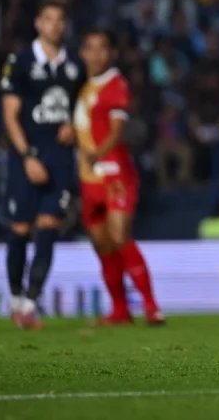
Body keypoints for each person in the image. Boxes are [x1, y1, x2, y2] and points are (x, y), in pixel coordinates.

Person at [0, 0, 85, 329]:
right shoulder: (20, 62)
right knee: (20, 228)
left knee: (49, 227)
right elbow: (10, 116)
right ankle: (16, 296)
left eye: (60, 19)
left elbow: (83, 110)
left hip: (60, 158)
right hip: (27, 156)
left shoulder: (75, 66)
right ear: (38, 23)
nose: (55, 25)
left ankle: (31, 303)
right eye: (49, 19)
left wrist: (74, 126)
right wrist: (27, 156)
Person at [74, 28, 164, 325]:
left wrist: (97, 152)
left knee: (120, 236)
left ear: (110, 54)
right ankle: (119, 310)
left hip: (115, 173)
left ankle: (152, 307)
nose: (96, 55)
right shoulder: (79, 86)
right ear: (83, 52)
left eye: (102, 49)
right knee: (103, 245)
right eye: (91, 48)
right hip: (89, 179)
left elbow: (116, 130)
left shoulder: (115, 84)